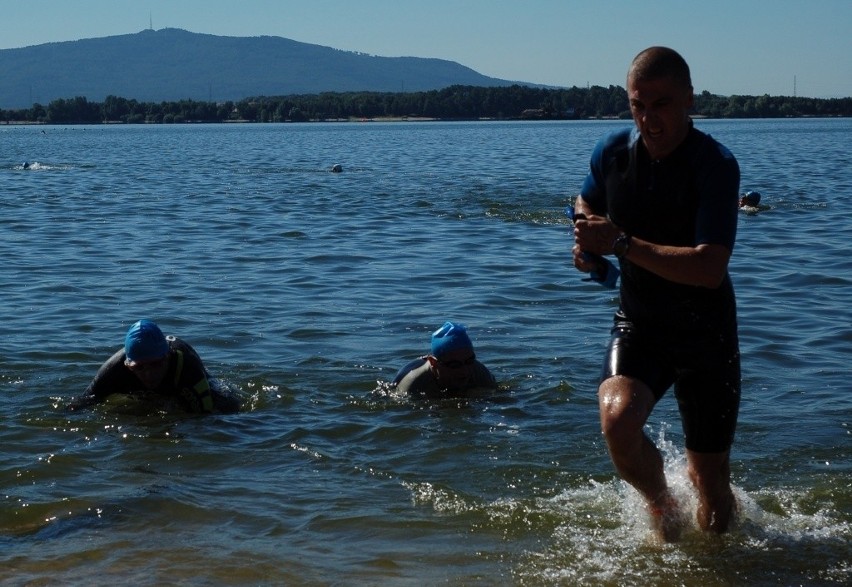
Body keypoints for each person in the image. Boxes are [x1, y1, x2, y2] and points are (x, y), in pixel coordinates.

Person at [572, 47, 741, 540]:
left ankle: (722, 562)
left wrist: (620, 242)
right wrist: (584, 237)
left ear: (689, 98)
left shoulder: (715, 165)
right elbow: (586, 198)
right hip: (640, 322)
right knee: (617, 425)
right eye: (637, 105)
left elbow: (710, 268)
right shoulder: (613, 153)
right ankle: (663, 505)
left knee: (711, 483)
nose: (649, 118)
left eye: (661, 104)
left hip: (705, 333)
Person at [68, 319, 240, 414]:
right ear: (128, 364)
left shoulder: (187, 369)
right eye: (139, 368)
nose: (149, 374)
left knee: (229, 407)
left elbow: (206, 418)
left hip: (186, 386)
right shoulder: (114, 369)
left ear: (167, 357)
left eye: (156, 365)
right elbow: (83, 402)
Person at [392, 321, 496, 399]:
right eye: (454, 365)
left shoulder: (479, 371)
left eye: (469, 360)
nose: (465, 371)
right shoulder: (413, 384)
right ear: (434, 363)